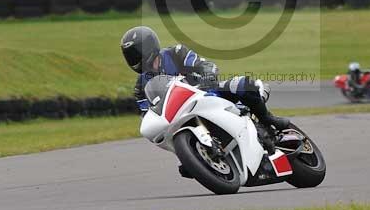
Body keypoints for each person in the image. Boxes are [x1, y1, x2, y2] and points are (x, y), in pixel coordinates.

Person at [120, 25, 290, 132]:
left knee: (243, 84)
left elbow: (205, 65)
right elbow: (148, 115)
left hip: (206, 93)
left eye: (136, 53)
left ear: (149, 46)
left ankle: (267, 119)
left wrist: (208, 76)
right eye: (130, 56)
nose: (134, 59)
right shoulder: (140, 88)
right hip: (181, 115)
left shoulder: (175, 53)